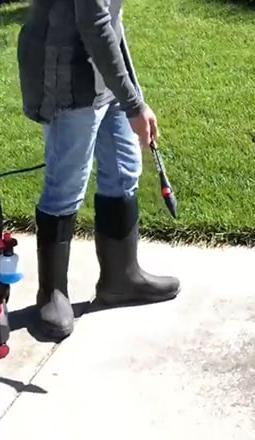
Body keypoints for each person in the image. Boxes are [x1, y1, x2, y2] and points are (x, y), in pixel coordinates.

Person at [16, 0, 180, 341]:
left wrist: (132, 92)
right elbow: (94, 22)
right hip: (65, 74)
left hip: (103, 75)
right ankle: (52, 294)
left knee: (124, 170)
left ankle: (121, 278)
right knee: (66, 185)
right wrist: (134, 105)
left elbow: (112, 21)